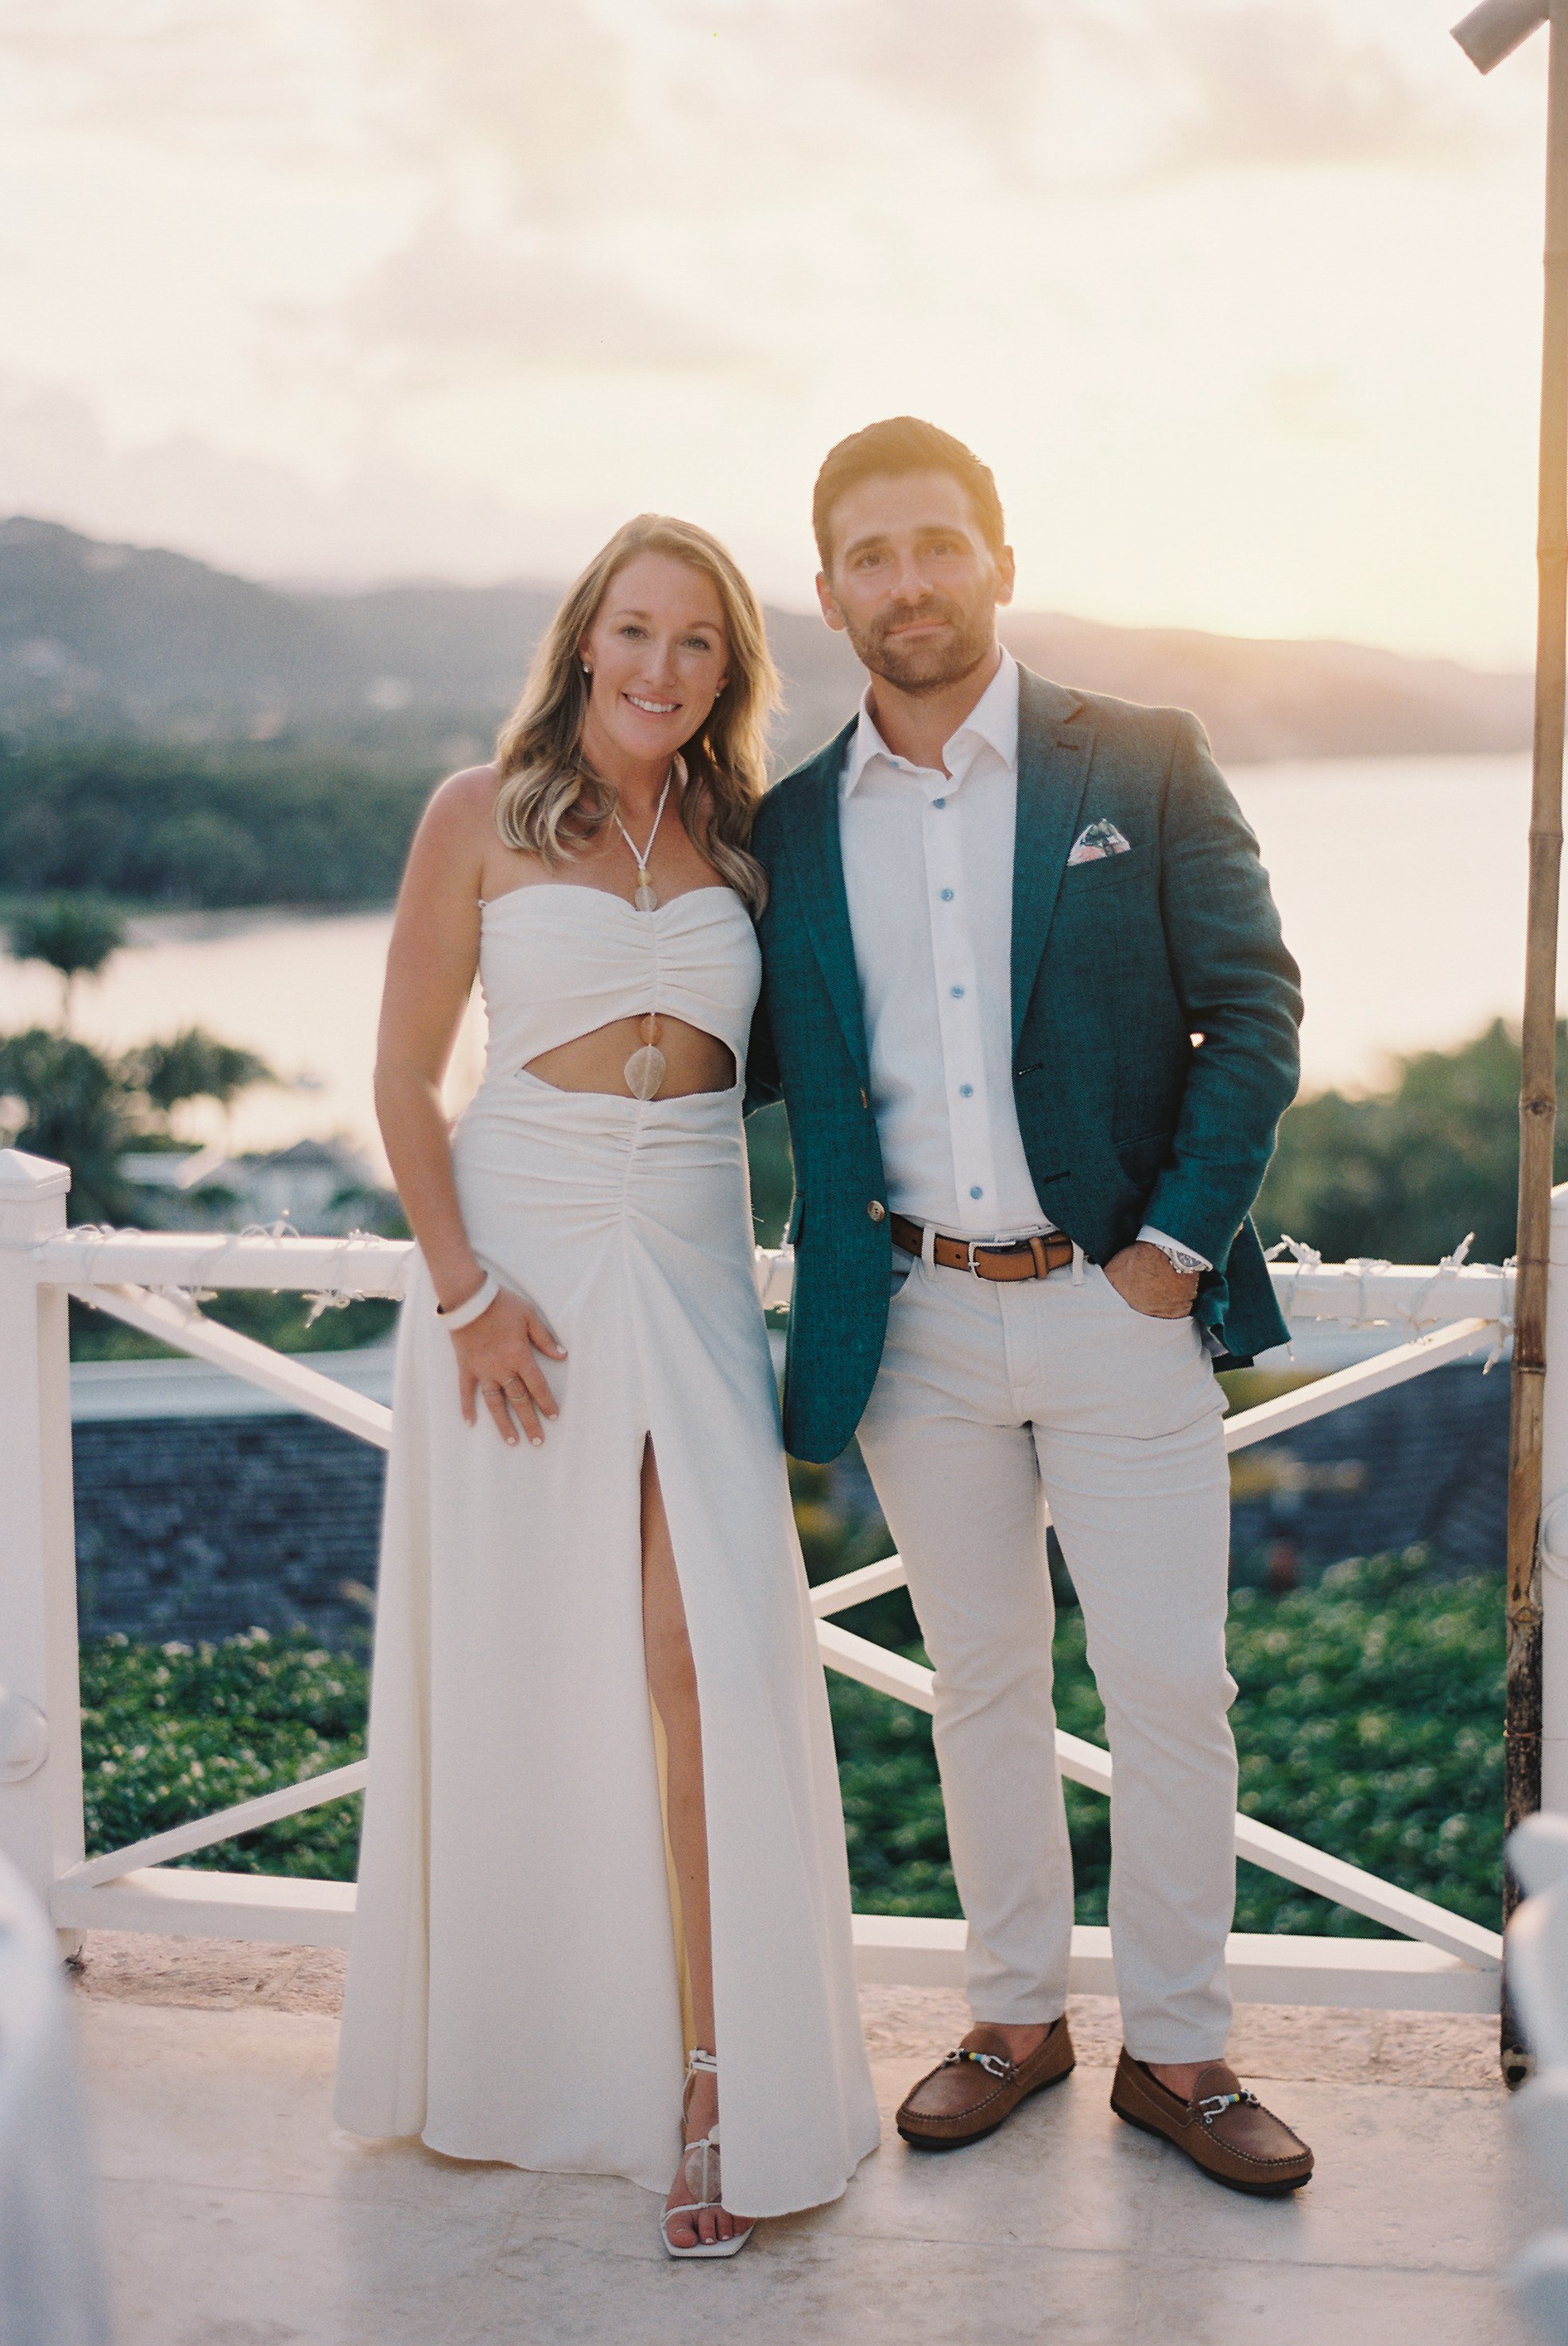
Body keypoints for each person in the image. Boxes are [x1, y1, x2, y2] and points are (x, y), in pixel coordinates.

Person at [746, 418, 1314, 2196]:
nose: (904, 582)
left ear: (997, 556)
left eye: (935, 544)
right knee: (977, 1683)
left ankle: (1184, 2052)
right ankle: (1012, 2017)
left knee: (1167, 1689)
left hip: (1115, 1305)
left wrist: (1173, 1245)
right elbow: (729, 1056)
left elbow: (1256, 1011)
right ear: (829, 588)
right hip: (905, 1315)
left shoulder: (1135, 762)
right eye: (868, 556)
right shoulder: (782, 822)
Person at [334, 513, 879, 2256]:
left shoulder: (740, 838)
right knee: (529, 1660)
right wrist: (467, 1290)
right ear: (585, 641)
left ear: (730, 671)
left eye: (696, 643)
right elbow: (407, 1084)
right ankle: (531, 2058)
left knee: (696, 1651)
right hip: (526, 1264)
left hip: (697, 1259)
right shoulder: (473, 815)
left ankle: (724, 2074)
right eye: (633, 632)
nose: (659, 667)